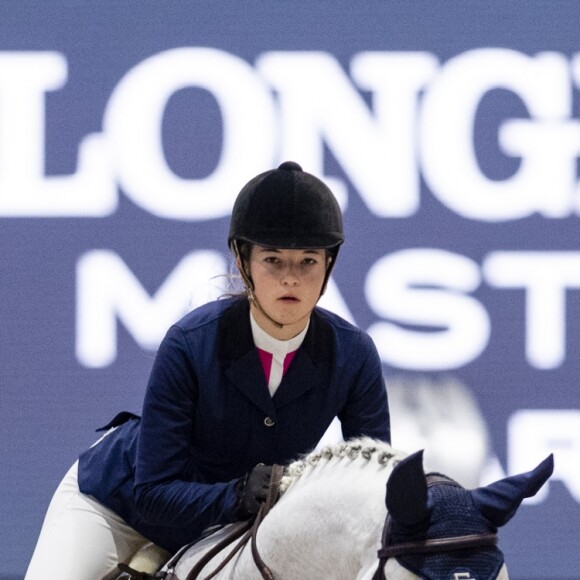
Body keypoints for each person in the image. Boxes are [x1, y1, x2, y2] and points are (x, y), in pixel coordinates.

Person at [25, 161, 391, 579]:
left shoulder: (355, 355)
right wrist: (237, 494)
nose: (291, 278)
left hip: (225, 530)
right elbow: (153, 495)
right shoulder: (190, 342)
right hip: (116, 509)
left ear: (329, 264)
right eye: (273, 259)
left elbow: (375, 488)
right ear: (242, 260)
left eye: (308, 261)